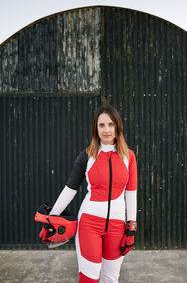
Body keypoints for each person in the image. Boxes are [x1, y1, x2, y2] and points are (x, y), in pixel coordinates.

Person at [49, 104, 137, 283]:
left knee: (111, 279)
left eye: (110, 125)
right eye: (101, 125)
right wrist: (51, 217)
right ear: (95, 129)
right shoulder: (86, 156)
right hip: (89, 225)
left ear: (117, 127)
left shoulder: (129, 156)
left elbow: (131, 193)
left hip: (117, 227)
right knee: (89, 278)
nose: (106, 130)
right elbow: (70, 189)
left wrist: (132, 228)